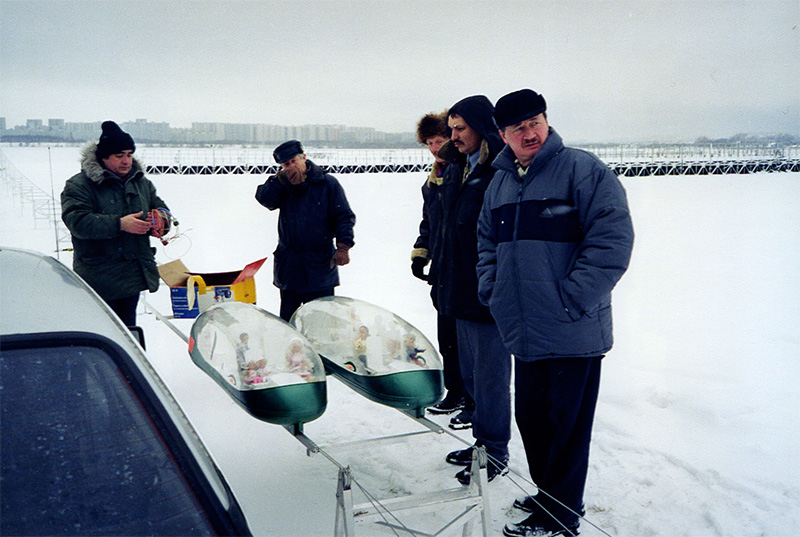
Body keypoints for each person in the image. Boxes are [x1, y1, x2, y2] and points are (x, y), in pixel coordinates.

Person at [476, 89, 634, 537]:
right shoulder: (501, 183)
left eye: (536, 122)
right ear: (503, 135)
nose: (530, 133)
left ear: (547, 122)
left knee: (567, 430)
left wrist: (572, 298)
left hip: (572, 328)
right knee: (533, 419)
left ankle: (561, 516)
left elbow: (611, 242)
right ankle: (551, 496)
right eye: (518, 127)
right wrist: (494, 291)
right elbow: (487, 243)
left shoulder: (583, 171)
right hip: (523, 329)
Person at [429, 95, 512, 485]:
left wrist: (492, 285)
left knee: (490, 377)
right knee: (472, 377)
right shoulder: (458, 167)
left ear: (481, 127)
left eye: (460, 128)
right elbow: (443, 223)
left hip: (485, 293)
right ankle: (482, 442)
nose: (453, 135)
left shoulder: (499, 171)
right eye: (450, 129)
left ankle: (494, 451)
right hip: (457, 288)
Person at [61, 121, 172, 327]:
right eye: (119, 155)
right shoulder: (79, 185)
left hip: (131, 277)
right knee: (101, 333)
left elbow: (162, 209)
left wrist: (160, 221)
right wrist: (119, 224)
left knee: (128, 333)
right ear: (103, 158)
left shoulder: (141, 183)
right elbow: (77, 221)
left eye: (129, 154)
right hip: (98, 279)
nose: (126, 161)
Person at [410, 111, 473, 419]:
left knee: (467, 339)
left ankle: (472, 399)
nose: (435, 148)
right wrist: (422, 251)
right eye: (430, 143)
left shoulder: (462, 171)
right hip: (442, 267)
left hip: (464, 268)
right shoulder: (435, 175)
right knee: (446, 336)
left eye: (440, 140)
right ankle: (455, 391)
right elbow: (430, 220)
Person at [255, 140, 356, 321]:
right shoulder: (282, 185)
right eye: (286, 164)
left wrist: (343, 247)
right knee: (288, 322)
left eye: (294, 161)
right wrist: (280, 181)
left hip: (319, 266)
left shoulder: (327, 184)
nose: (292, 166)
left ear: (304, 158)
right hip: (289, 268)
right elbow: (264, 199)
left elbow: (344, 217)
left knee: (322, 321)